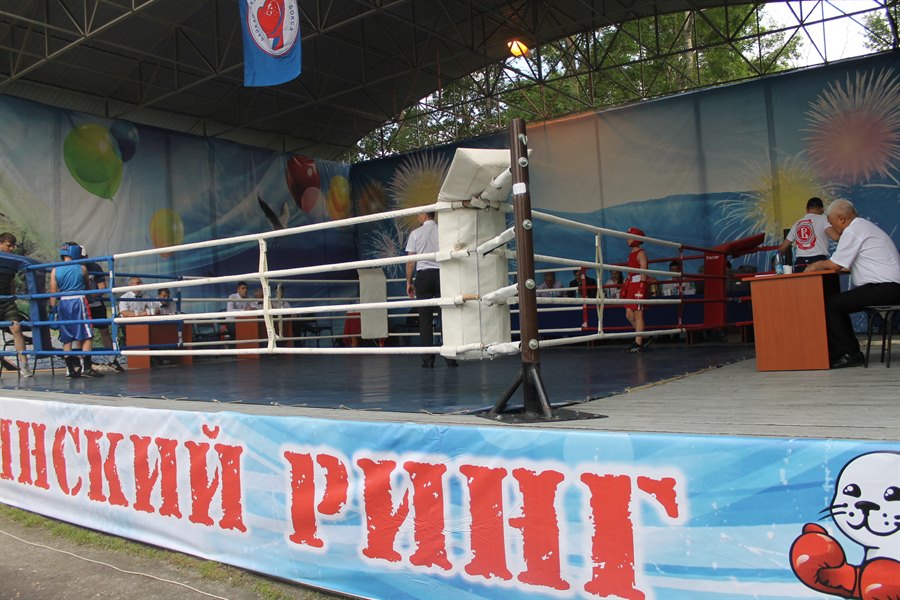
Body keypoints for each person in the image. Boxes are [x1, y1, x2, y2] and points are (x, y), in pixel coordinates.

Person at [806, 200, 900, 368]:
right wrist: (830, 267)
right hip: (889, 287)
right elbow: (845, 266)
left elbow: (835, 264)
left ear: (841, 219)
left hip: (886, 287)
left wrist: (814, 265)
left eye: (831, 222)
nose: (831, 227)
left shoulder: (853, 230)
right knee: (837, 304)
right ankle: (850, 352)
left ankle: (848, 354)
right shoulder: (863, 227)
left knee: (831, 305)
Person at [406, 212, 456, 368]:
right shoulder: (444, 231)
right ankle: (450, 357)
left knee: (425, 319)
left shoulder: (415, 233)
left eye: (418, 215)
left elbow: (410, 262)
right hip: (443, 275)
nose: (417, 218)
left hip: (424, 276)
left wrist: (409, 282)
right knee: (446, 317)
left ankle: (428, 360)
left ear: (424, 215)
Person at [49, 242, 102, 378]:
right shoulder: (82, 268)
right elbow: (87, 289)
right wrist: (93, 297)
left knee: (67, 338)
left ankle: (70, 369)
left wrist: (53, 310)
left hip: (63, 303)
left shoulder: (55, 270)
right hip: (79, 301)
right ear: (75, 252)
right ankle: (87, 368)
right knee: (88, 335)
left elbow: (53, 293)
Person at [83, 254, 124, 372]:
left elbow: (102, 287)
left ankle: (112, 360)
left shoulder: (94, 267)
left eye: (84, 256)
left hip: (96, 304)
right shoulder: (74, 268)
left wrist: (92, 295)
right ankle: (85, 362)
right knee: (84, 335)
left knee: (105, 331)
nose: (82, 258)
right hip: (82, 305)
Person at [777, 197, 838, 272]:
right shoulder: (823, 219)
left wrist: (777, 262)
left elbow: (782, 248)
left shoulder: (797, 224)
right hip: (818, 262)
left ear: (807, 209)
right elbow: (835, 237)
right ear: (822, 209)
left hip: (800, 264)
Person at [0, 232, 32, 377]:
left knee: (16, 328)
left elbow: (12, 282)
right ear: (0, 244)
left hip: (7, 302)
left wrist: (12, 296)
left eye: (13, 246)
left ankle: (24, 365)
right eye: (9, 245)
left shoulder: (12, 261)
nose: (11, 248)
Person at [621, 227, 651, 352]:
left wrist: (642, 287)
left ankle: (638, 343)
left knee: (638, 314)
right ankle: (644, 338)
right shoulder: (631, 254)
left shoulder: (641, 253)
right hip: (631, 284)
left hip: (639, 284)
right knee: (629, 314)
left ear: (637, 239)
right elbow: (630, 272)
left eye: (630, 237)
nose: (627, 239)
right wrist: (626, 285)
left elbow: (643, 271)